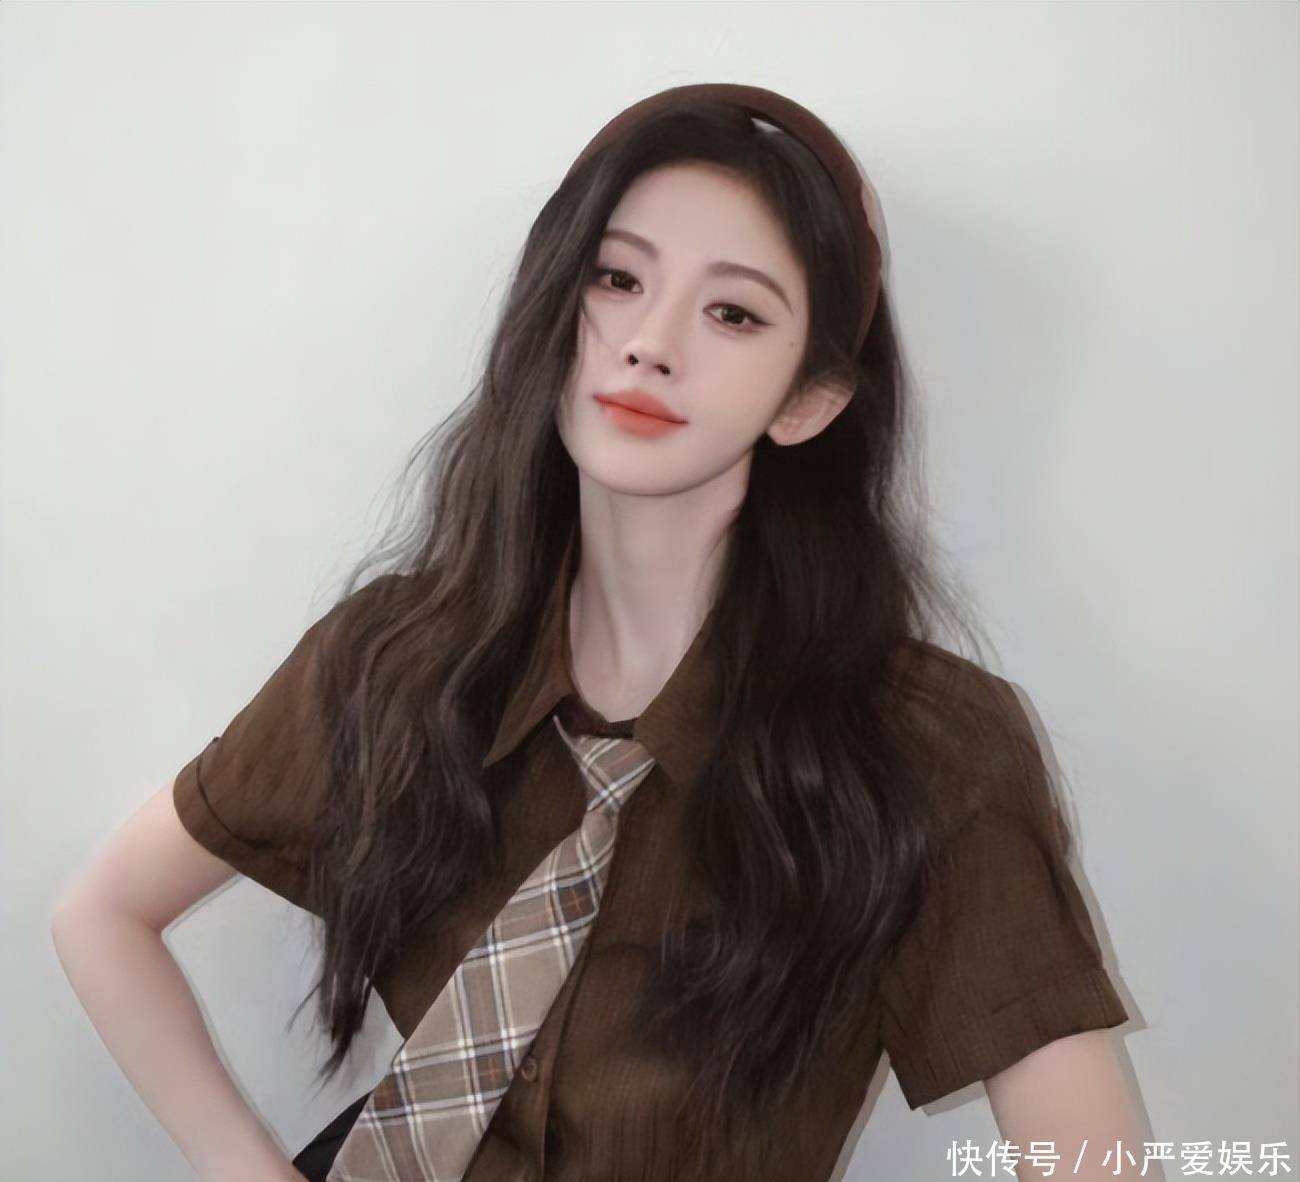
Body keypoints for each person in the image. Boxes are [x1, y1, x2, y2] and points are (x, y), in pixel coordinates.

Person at [52, 83, 1152, 1181]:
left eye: (734, 314)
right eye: (618, 280)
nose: (649, 346)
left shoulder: (921, 747)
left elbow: (1094, 1161)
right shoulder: (394, 661)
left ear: (808, 401)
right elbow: (101, 914)